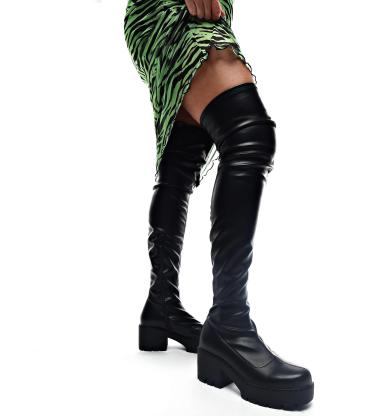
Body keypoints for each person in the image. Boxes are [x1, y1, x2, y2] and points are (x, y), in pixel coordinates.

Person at [124, 0, 314, 409]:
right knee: (248, 136)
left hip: (183, 12)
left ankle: (161, 306)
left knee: (181, 156)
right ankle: (230, 325)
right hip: (176, 10)